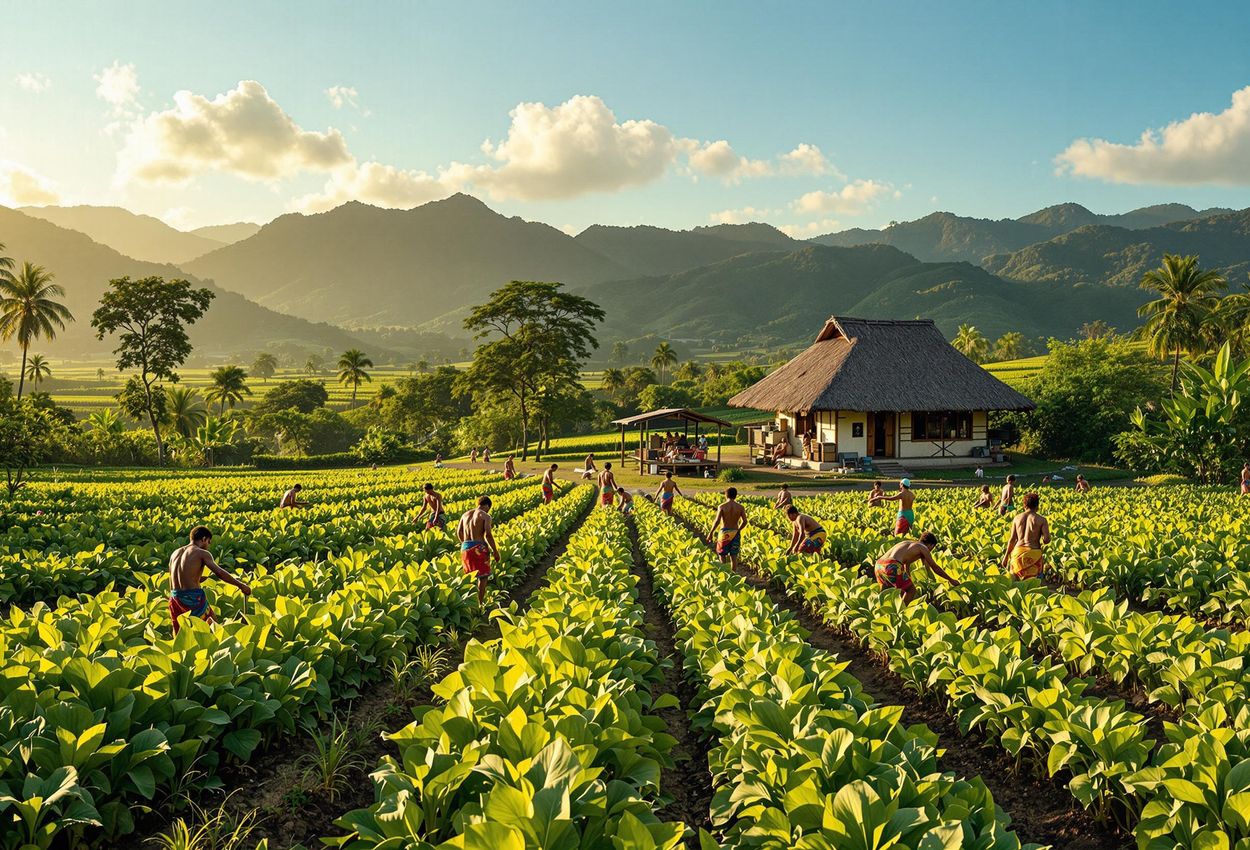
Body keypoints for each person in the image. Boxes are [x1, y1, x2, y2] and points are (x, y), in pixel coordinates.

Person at [168, 526, 252, 634]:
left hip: (174, 597)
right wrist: (241, 585)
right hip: (193, 598)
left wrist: (197, 578)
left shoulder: (175, 553)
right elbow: (220, 573)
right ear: (203, 539)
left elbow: (176, 576)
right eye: (208, 542)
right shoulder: (201, 553)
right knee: (211, 627)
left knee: (181, 633)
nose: (208, 545)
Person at [873, 531, 959, 604]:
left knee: (885, 594)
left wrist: (909, 579)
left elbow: (907, 565)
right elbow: (935, 568)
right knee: (911, 591)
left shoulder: (909, 543)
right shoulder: (923, 548)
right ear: (931, 545)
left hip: (879, 565)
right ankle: (900, 613)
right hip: (892, 565)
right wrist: (950, 580)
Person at [457, 495, 501, 605]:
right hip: (479, 547)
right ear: (487, 506)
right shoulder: (485, 516)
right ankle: (479, 604)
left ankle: (467, 602)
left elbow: (458, 532)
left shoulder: (465, 515)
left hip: (465, 546)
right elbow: (488, 535)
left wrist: (465, 544)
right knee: (482, 577)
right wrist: (495, 551)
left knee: (469, 576)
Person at [1001, 492, 1051, 581]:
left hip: (1017, 552)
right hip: (1033, 553)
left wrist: (1005, 557)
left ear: (1024, 505)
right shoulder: (1042, 520)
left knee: (1016, 584)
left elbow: (1012, 539)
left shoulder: (1017, 518)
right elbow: (1047, 540)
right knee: (1032, 585)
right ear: (1037, 506)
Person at [711, 487, 748, 569]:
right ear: (735, 496)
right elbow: (745, 521)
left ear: (725, 495)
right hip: (735, 532)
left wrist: (711, 532)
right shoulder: (740, 507)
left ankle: (724, 572)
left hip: (724, 532)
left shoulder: (722, 506)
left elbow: (717, 521)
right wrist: (739, 530)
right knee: (733, 556)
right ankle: (733, 574)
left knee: (722, 554)